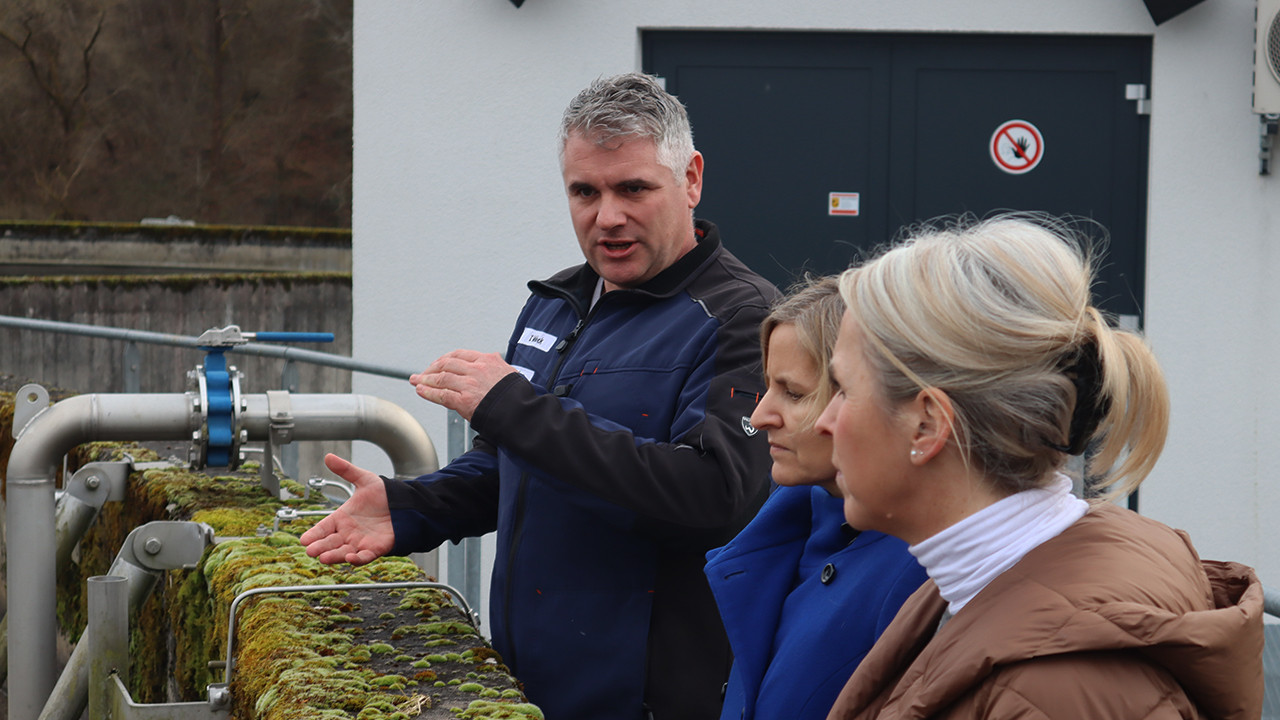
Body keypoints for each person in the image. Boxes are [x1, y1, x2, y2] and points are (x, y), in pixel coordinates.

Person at [300, 72, 779, 720]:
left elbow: (713, 498)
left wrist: (515, 409)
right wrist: (411, 508)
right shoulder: (556, 302)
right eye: (585, 191)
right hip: (525, 690)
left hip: (647, 702)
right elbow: (513, 463)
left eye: (633, 188)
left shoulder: (744, 318)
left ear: (691, 179)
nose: (607, 217)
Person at [814, 215, 1263, 719]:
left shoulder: (1062, 688)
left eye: (844, 390)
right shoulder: (968, 591)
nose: (823, 422)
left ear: (927, 425)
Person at [704, 276, 927, 720]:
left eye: (794, 393)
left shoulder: (924, 569)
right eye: (765, 387)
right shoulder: (786, 531)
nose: (760, 416)